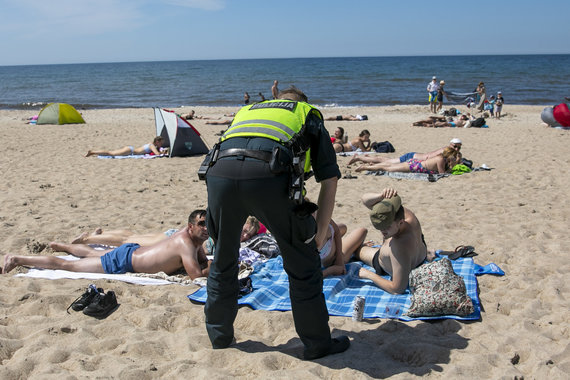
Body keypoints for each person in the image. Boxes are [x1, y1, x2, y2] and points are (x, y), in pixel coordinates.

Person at [202, 86, 349, 359]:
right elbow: (329, 178)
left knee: (223, 259)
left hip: (218, 172)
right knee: (302, 266)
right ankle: (318, 343)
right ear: (302, 102)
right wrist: (317, 235)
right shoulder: (308, 113)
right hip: (268, 176)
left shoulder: (248, 111)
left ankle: (219, 336)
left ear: (276, 101)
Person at [2, 210, 211, 280]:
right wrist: (216, 266)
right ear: (189, 227)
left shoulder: (195, 240)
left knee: (91, 253)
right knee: (68, 266)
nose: (205, 228)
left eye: (207, 224)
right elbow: (197, 277)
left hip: (132, 252)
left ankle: (65, 246)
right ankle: (17, 259)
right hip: (125, 260)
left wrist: (208, 264)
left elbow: (202, 262)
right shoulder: (185, 242)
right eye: (201, 224)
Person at [355, 188, 432, 294]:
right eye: (380, 226)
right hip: (419, 258)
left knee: (357, 251)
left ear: (400, 222)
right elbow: (364, 199)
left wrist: (368, 274)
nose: (382, 231)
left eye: (387, 227)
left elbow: (397, 289)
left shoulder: (399, 245)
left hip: (391, 263)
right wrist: (381, 195)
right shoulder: (406, 215)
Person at [348, 138, 462, 166]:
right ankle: (360, 158)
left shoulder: (448, 151)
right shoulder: (445, 151)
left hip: (414, 156)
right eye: (454, 146)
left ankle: (364, 158)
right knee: (387, 162)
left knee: (386, 161)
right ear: (450, 144)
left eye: (458, 147)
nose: (456, 149)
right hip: (411, 158)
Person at [355, 147, 461, 174]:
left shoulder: (441, 158)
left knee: (388, 166)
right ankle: (366, 167)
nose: (454, 158)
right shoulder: (440, 159)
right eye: (453, 156)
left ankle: (367, 165)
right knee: (387, 168)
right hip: (414, 166)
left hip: (415, 164)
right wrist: (453, 165)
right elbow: (442, 173)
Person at [85, 136, 164, 157]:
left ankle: (93, 153)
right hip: (130, 151)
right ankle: (93, 152)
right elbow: (157, 154)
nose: (161, 144)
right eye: (161, 143)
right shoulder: (152, 146)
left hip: (130, 149)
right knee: (111, 153)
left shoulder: (151, 144)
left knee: (111, 153)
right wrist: (162, 152)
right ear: (157, 142)